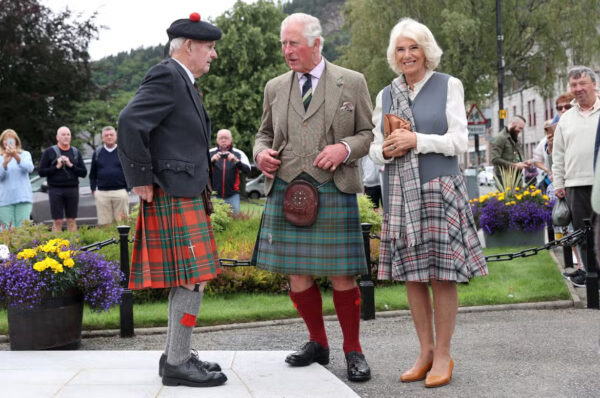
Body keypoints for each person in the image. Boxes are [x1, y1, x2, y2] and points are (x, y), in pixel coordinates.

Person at [253, 13, 374, 382]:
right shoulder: (275, 87)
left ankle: (353, 350)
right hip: (288, 191)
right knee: (298, 276)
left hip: (332, 188)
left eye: (294, 44)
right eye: (283, 44)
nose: (287, 51)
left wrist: (344, 148)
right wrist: (260, 154)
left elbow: (367, 134)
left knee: (342, 276)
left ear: (316, 44)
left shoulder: (351, 82)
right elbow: (263, 134)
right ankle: (317, 342)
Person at [369, 18, 487, 388]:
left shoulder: (448, 85)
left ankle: (444, 355)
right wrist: (385, 150)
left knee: (441, 276)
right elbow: (374, 148)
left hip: (439, 188)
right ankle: (424, 351)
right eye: (401, 49)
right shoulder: (385, 95)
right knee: (413, 277)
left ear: (426, 51)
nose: (407, 55)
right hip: (400, 193)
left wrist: (415, 140)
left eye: (413, 47)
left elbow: (458, 142)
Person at [117, 12, 227, 388]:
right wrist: (141, 179)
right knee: (193, 279)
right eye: (209, 48)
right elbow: (130, 122)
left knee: (190, 279)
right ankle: (178, 362)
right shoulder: (168, 75)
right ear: (189, 46)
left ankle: (175, 356)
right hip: (173, 191)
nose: (213, 54)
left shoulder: (185, 81)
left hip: (184, 190)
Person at [552, 66, 600, 288]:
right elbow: (558, 154)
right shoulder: (566, 118)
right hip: (575, 185)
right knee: (582, 236)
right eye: (573, 85)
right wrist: (558, 183)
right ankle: (592, 279)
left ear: (594, 84)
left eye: (582, 83)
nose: (578, 89)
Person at [38, 126, 87, 232]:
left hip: (72, 189)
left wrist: (70, 165)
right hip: (55, 189)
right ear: (57, 137)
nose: (66, 137)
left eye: (68, 134)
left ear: (70, 137)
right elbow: (41, 172)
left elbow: (83, 173)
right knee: (58, 220)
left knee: (71, 220)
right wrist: (57, 167)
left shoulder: (75, 152)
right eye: (63, 134)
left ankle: (73, 245)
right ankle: (56, 246)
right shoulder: (49, 152)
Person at [89, 126, 129, 225]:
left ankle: (122, 241)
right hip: (102, 193)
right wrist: (93, 190)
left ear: (116, 136)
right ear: (102, 138)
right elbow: (92, 174)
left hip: (120, 192)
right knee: (105, 224)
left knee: (122, 223)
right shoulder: (97, 153)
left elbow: (129, 171)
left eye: (112, 135)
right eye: (106, 135)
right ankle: (108, 241)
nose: (109, 137)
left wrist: (128, 190)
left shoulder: (122, 152)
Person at [209, 129, 251, 214]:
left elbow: (248, 170)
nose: (223, 140)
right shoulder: (210, 153)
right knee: (214, 222)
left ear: (231, 140)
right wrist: (211, 162)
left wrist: (236, 161)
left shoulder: (239, 153)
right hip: (214, 195)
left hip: (233, 195)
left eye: (226, 138)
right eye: (221, 138)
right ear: (217, 140)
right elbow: (202, 170)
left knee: (234, 221)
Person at [0, 129, 34, 228]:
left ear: (16, 141)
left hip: (23, 198)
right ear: (2, 142)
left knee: (23, 229)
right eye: (5, 139)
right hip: (4, 200)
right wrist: (5, 163)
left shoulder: (25, 154)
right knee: (7, 230)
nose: (8, 142)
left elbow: (30, 168)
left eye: (11, 139)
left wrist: (15, 156)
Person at [490, 115, 528, 187]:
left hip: (517, 177)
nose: (520, 131)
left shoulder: (515, 138)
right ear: (513, 124)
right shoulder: (500, 138)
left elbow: (516, 156)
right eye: (519, 128)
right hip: (504, 177)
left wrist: (524, 162)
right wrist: (515, 165)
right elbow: (494, 159)